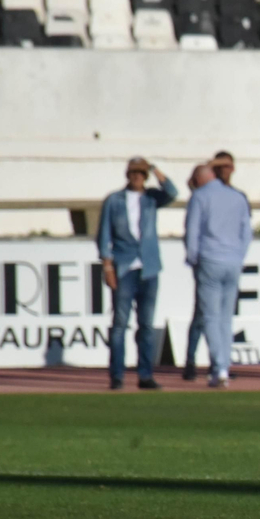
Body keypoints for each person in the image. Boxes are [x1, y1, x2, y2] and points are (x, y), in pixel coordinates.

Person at [96, 157, 177, 390]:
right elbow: (104, 236)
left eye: (141, 174)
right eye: (134, 173)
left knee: (146, 324)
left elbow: (172, 191)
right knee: (120, 323)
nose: (137, 177)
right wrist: (108, 266)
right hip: (124, 266)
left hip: (149, 267)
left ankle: (145, 374)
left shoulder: (151, 198)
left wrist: (154, 168)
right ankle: (117, 374)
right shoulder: (114, 200)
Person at [185, 154, 253, 388]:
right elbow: (247, 232)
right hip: (233, 260)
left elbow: (192, 232)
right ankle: (224, 364)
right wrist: (239, 255)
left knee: (211, 317)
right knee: (225, 318)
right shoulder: (237, 197)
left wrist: (194, 258)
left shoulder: (200, 197)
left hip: (210, 258)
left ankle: (220, 366)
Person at [179, 164, 214, 380]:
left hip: (216, 260)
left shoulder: (223, 196)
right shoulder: (199, 198)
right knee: (202, 314)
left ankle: (216, 362)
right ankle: (191, 361)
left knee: (215, 315)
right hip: (205, 261)